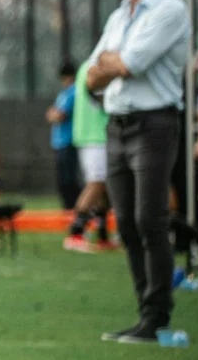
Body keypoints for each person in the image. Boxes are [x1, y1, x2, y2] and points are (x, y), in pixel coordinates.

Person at [86, 0, 190, 344]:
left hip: (154, 124)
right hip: (118, 124)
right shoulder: (119, 16)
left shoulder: (170, 9)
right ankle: (144, 312)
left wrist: (113, 63)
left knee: (150, 219)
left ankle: (157, 316)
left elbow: (128, 64)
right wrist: (112, 65)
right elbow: (92, 74)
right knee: (126, 221)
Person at [65, 61, 117, 253]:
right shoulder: (97, 67)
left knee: (102, 187)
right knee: (96, 183)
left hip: (91, 135)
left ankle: (102, 235)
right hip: (94, 135)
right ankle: (75, 232)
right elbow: (102, 99)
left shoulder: (87, 66)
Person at [46, 62, 81, 212]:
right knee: (62, 179)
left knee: (69, 179)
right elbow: (51, 114)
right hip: (59, 142)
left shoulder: (74, 92)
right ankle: (68, 208)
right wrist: (54, 114)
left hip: (69, 141)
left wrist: (55, 115)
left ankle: (76, 208)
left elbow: (59, 115)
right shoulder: (64, 93)